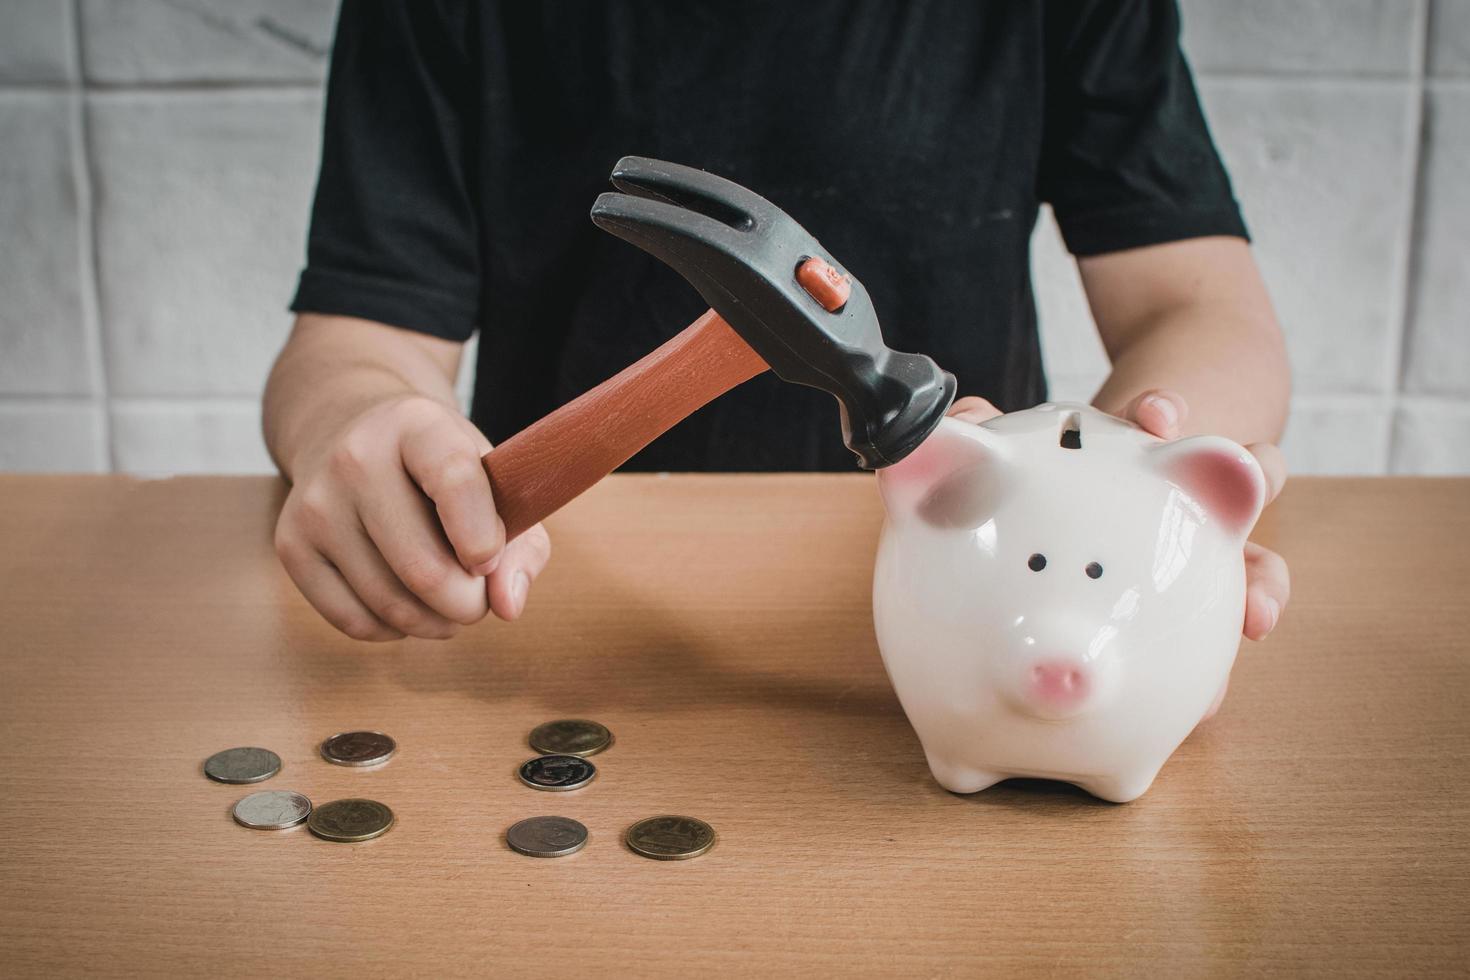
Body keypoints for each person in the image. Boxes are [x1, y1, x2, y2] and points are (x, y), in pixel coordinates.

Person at [265, 0, 1291, 645]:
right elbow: (356, 340)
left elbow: (1202, 307)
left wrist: (1111, 495)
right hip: (544, 612)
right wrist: (357, 431)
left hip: (972, 596)